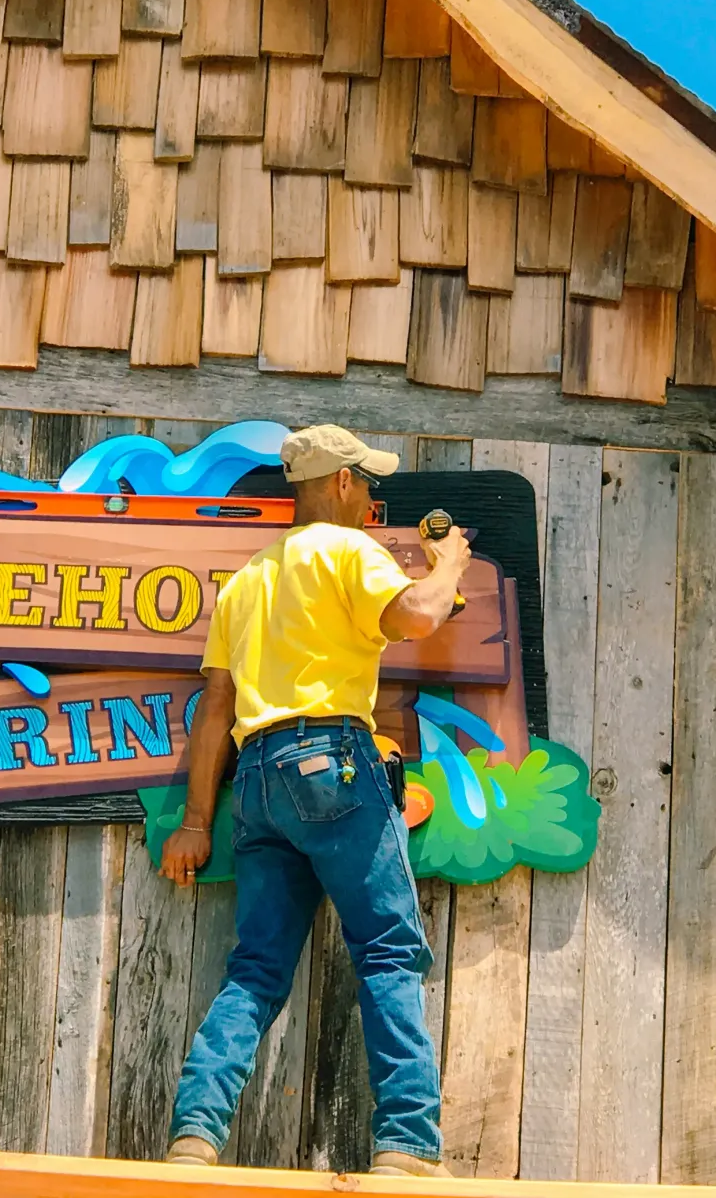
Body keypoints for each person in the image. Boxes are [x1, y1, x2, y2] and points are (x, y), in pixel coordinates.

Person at [160, 424, 472, 1177]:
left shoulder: (246, 583)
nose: (373, 499)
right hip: (332, 763)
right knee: (389, 950)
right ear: (338, 482)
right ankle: (407, 1147)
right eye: (367, 483)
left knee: (256, 972)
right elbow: (419, 618)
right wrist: (449, 562)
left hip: (259, 781)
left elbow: (215, 712)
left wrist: (196, 822)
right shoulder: (348, 550)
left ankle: (193, 1142)